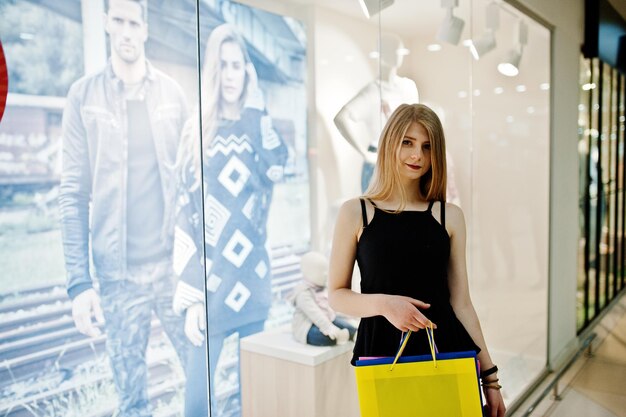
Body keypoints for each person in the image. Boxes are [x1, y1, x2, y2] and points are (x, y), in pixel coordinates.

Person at [328, 103, 506, 417]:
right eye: (407, 143)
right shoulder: (356, 212)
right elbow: (337, 296)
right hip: (383, 355)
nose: (417, 156)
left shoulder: (448, 216)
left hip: (448, 350)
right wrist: (385, 305)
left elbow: (462, 302)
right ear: (389, 144)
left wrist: (490, 379)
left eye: (427, 147)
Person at [58, 0, 189, 416]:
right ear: (106, 24)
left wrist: (200, 268)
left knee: (202, 377)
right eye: (119, 21)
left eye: (135, 22)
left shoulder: (172, 94)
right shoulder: (83, 96)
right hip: (118, 277)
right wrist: (80, 285)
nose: (127, 31)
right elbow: (73, 193)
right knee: (132, 400)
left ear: (146, 29)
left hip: (173, 269)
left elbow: (192, 187)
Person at [171, 23, 288, 417]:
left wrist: (257, 108)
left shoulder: (256, 124)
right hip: (211, 288)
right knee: (196, 405)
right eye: (223, 65)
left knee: (252, 401)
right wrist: (191, 297)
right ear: (213, 72)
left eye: (238, 65)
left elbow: (277, 166)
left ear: (247, 72)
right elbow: (183, 218)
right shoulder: (196, 132)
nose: (231, 74)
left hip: (252, 283)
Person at [333, 33, 419, 192]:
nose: (396, 54)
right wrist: (365, 153)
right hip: (380, 159)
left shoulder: (408, 87)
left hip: (405, 159)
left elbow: (416, 125)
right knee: (376, 214)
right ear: (382, 53)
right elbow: (340, 118)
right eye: (391, 50)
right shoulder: (372, 91)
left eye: (398, 50)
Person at [290, 251, 356, 346]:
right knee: (325, 337)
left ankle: (353, 334)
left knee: (344, 324)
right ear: (308, 272)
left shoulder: (323, 288)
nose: (325, 274)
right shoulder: (303, 293)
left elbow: (332, 308)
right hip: (308, 325)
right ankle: (339, 337)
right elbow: (315, 314)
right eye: (321, 271)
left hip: (327, 317)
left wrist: (349, 316)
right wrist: (329, 327)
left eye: (326, 271)